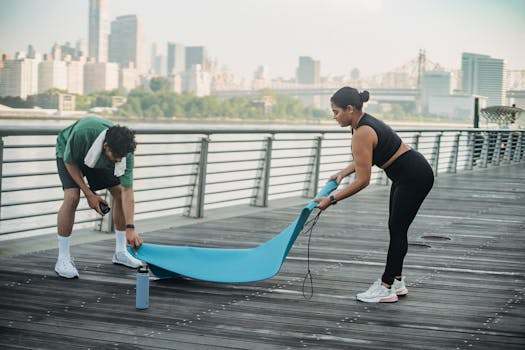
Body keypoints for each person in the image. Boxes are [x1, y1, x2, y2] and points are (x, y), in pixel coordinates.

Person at [314, 87, 434, 303]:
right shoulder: (361, 124)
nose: (333, 117)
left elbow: (363, 180)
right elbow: (365, 158)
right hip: (410, 173)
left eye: (335, 112)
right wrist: (342, 173)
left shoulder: (362, 132)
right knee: (396, 228)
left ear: (349, 109)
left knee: (397, 230)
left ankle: (385, 287)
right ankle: (396, 281)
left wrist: (330, 200)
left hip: (413, 176)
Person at [55, 116, 143, 278]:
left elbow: (127, 192)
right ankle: (63, 259)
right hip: (69, 153)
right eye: (116, 156)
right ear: (106, 146)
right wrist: (89, 194)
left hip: (98, 159)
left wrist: (130, 227)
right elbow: (70, 162)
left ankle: (121, 252)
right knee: (72, 196)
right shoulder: (83, 133)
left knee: (118, 192)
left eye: (122, 157)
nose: (119, 160)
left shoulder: (124, 153)